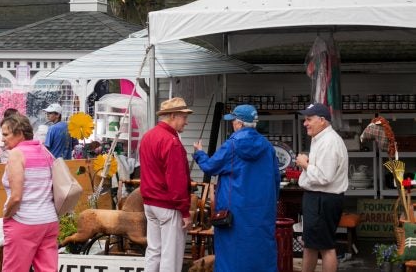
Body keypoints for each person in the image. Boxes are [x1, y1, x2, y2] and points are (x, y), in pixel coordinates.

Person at [193, 104, 280, 272]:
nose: (232, 124)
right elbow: (276, 180)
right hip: (261, 212)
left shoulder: (231, 145)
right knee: (261, 253)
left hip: (233, 213)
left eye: (233, 121)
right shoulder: (268, 147)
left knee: (231, 255)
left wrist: (200, 153)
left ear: (239, 124)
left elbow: (210, 167)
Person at [139, 97, 193, 272]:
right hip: (168, 204)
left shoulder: (148, 136)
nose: (186, 121)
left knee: (154, 251)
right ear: (172, 116)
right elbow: (177, 180)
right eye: (183, 117)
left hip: (150, 202)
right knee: (171, 256)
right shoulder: (171, 141)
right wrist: (185, 210)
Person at [0, 114, 58, 272]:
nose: (2, 139)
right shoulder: (45, 151)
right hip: (49, 220)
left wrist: (6, 215)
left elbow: (16, 196)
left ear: (19, 133)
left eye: (6, 134)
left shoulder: (17, 154)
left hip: (24, 221)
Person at [295, 103, 348, 272]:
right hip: (317, 198)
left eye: (309, 119)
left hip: (323, 198)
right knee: (310, 244)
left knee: (326, 246)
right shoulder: (320, 138)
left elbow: (324, 177)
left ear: (322, 121)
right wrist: (308, 164)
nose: (305, 123)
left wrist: (304, 164)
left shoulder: (329, 141)